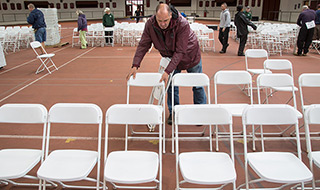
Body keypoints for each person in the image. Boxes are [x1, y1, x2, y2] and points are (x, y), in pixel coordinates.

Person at [126, 3, 207, 125]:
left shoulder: (182, 23)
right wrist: (135, 64)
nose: (162, 24)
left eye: (165, 20)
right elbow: (143, 44)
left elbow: (180, 51)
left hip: (190, 55)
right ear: (155, 16)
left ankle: (200, 113)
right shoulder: (150, 24)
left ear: (171, 15)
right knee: (171, 87)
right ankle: (174, 112)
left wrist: (167, 71)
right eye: (160, 21)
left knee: (197, 85)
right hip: (170, 57)